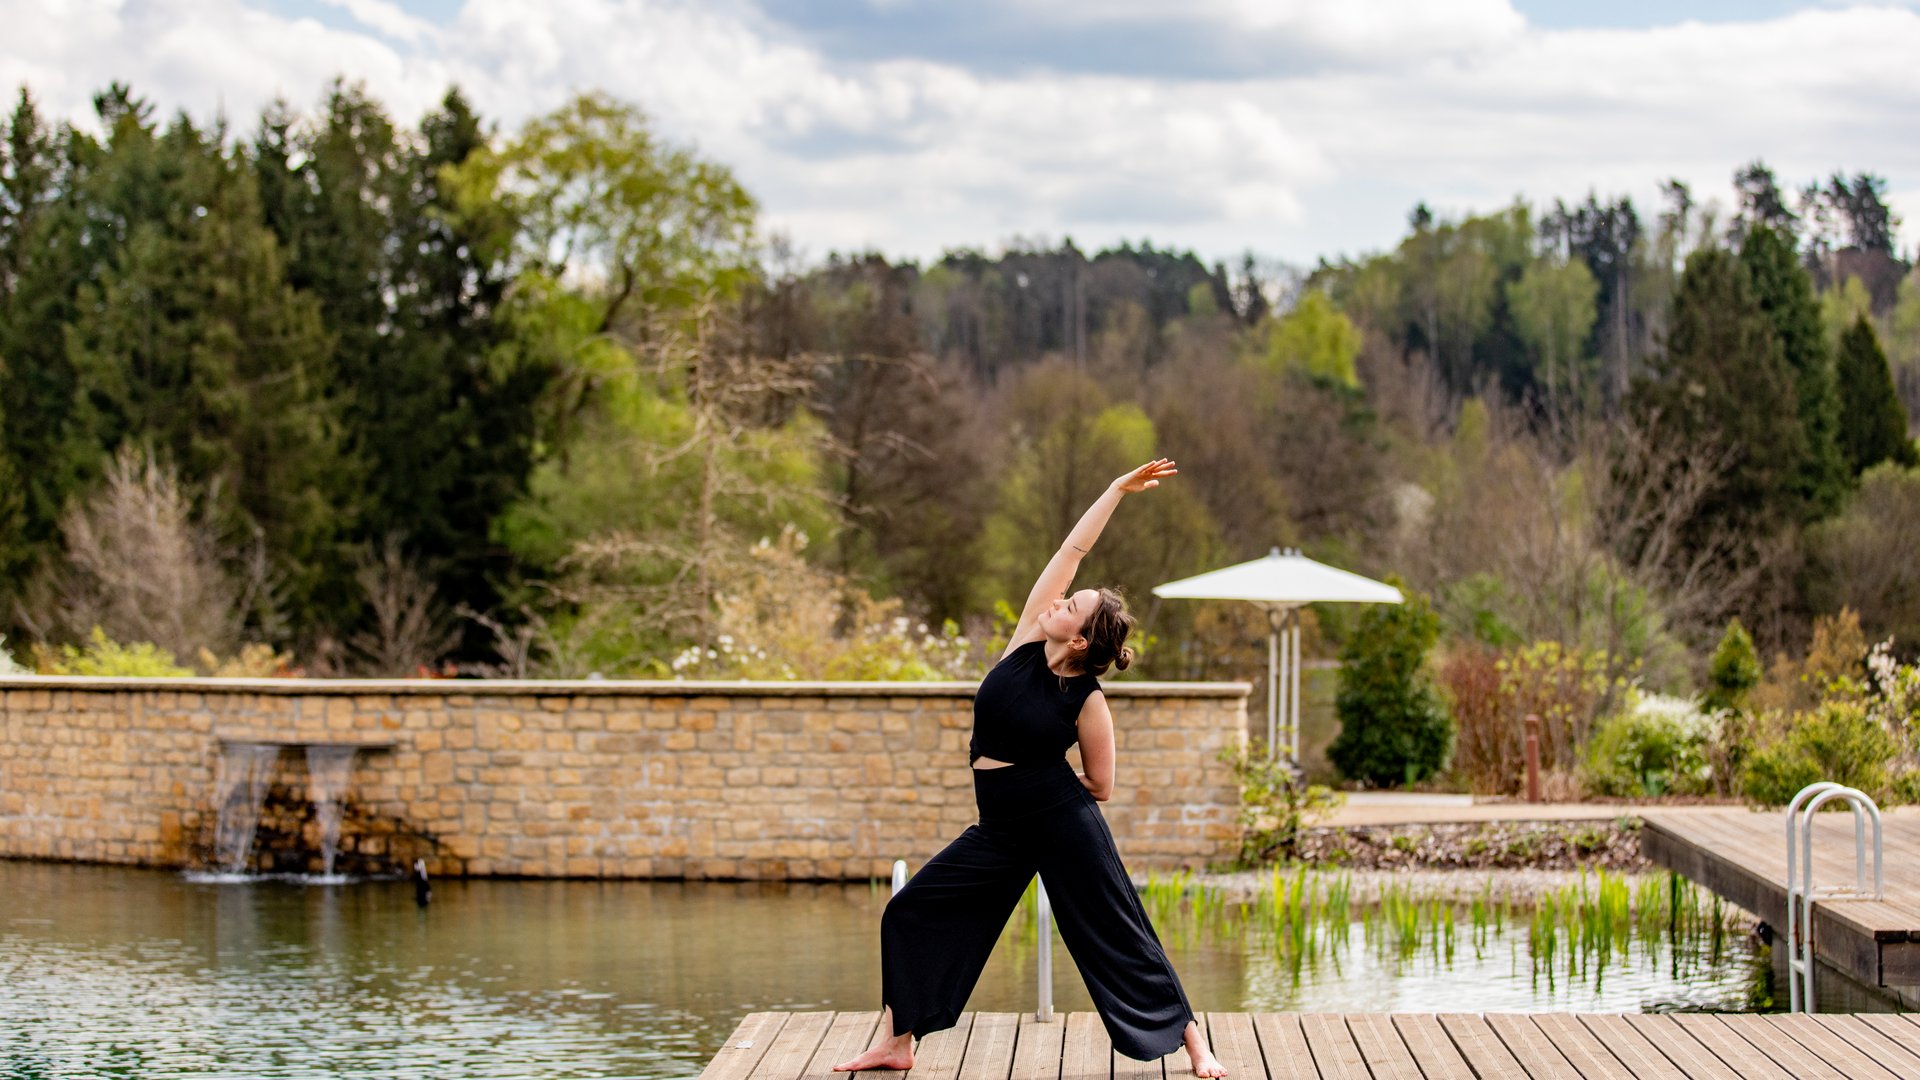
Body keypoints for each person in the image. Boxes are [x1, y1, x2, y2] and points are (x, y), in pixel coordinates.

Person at [833, 458, 1226, 1078]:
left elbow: (1103, 784)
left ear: (1078, 641)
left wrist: (1044, 786)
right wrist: (1115, 488)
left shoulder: (1088, 700)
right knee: (910, 911)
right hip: (1000, 828)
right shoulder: (1024, 643)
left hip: (1059, 821)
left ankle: (1194, 1041)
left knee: (1116, 930)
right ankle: (897, 1041)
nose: (1060, 599)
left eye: (1072, 605)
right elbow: (1073, 549)